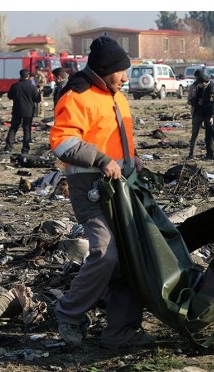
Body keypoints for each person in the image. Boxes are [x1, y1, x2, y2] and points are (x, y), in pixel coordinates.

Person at [49, 36, 154, 350]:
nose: (126, 78)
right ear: (104, 70)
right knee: (106, 254)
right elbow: (63, 142)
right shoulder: (77, 94)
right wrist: (102, 159)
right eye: (121, 72)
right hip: (90, 189)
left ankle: (120, 331)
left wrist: (131, 158)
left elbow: (118, 137)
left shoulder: (115, 94)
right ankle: (68, 314)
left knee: (129, 254)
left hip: (122, 186)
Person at [187, 69, 214, 160]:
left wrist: (212, 116)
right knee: (208, 135)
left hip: (212, 114)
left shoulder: (211, 89)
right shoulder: (205, 87)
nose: (198, 85)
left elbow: (213, 104)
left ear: (204, 82)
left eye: (199, 83)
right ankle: (210, 154)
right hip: (207, 113)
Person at [4, 69, 40, 154]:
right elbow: (38, 99)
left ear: (20, 76)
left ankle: (8, 147)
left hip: (17, 110)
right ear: (28, 76)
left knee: (13, 128)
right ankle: (25, 149)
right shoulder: (32, 87)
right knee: (27, 130)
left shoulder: (14, 86)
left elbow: (10, 96)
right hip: (28, 111)